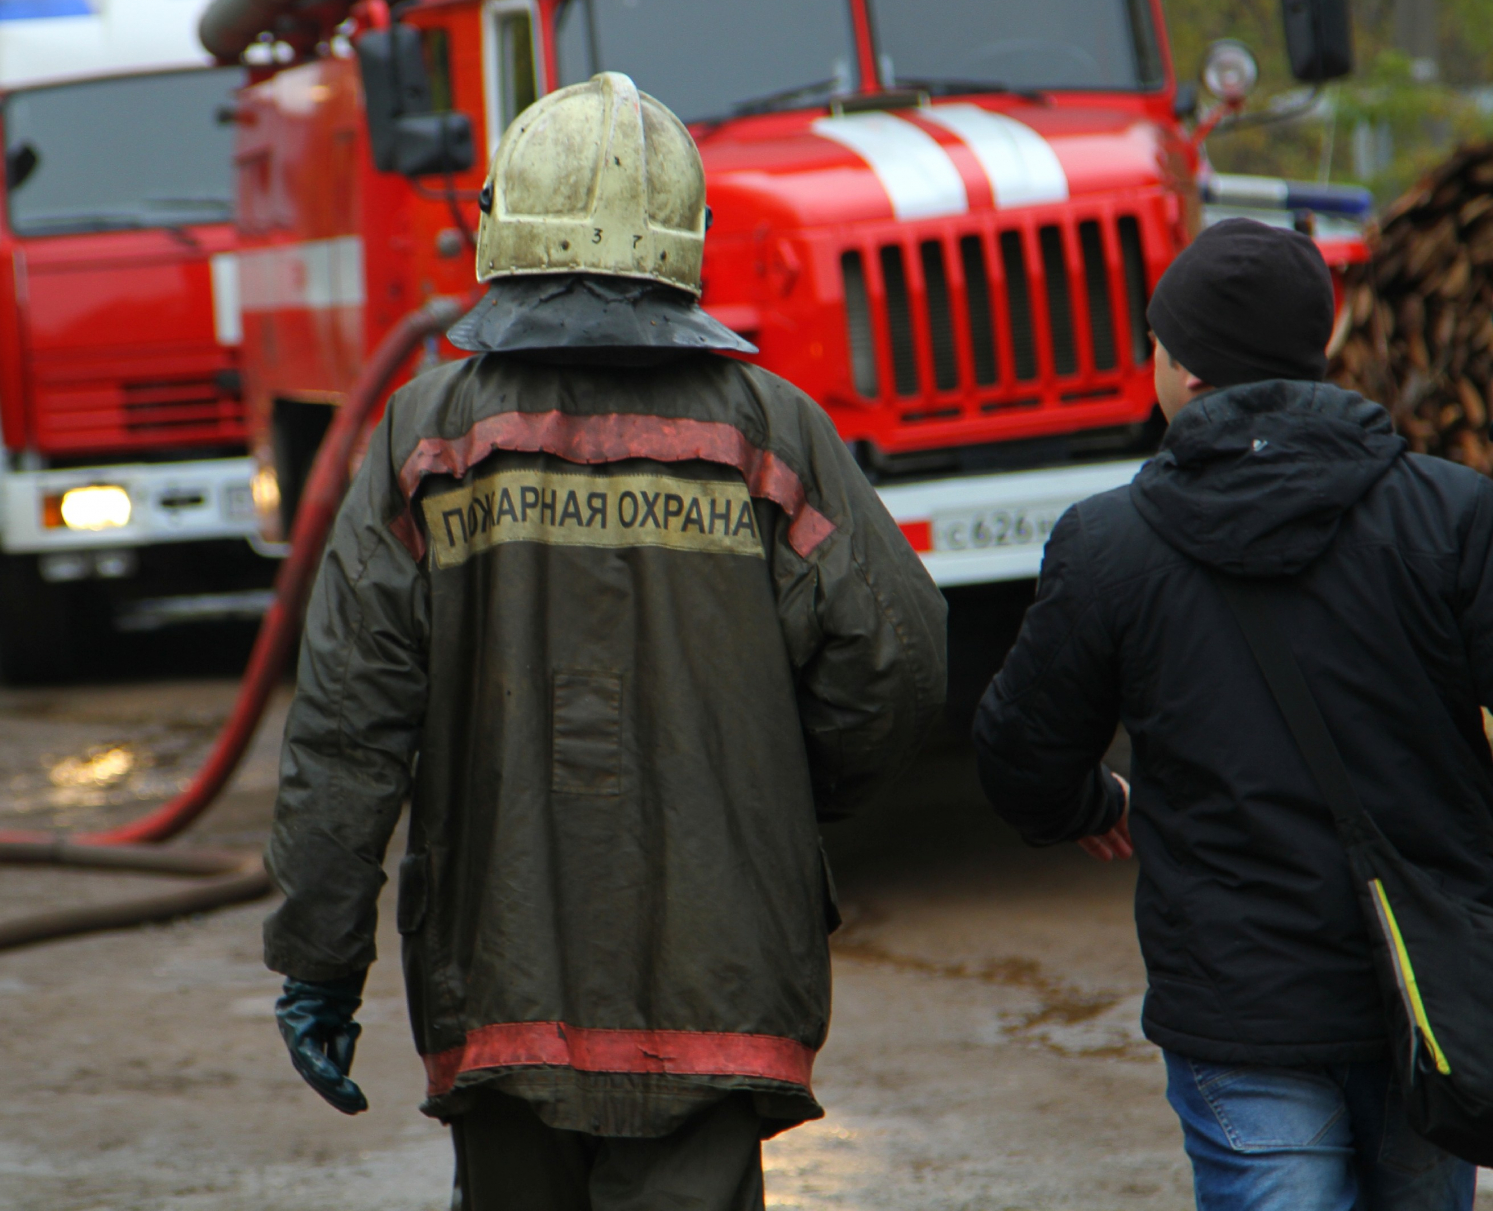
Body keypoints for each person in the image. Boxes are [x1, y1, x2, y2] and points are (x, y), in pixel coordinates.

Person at [262, 73, 947, 1210]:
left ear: (503, 224)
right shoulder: (771, 432)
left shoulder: (429, 437)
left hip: (498, 978)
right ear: (685, 238)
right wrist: (779, 799)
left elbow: (347, 723)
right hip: (719, 975)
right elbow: (900, 661)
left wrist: (320, 957)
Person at [972, 217, 1488, 1210]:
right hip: (1429, 995)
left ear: (1190, 370)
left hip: (1239, 1006)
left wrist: (1094, 804)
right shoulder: (1449, 514)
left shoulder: (1110, 544)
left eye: (1156, 342)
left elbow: (1019, 758)